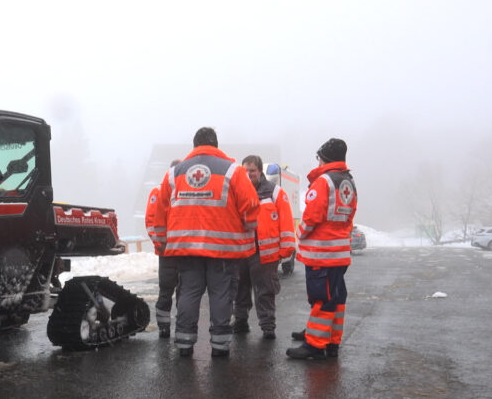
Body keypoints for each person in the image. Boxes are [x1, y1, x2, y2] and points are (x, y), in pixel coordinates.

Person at [151, 127, 259, 358]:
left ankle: (184, 343)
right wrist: (248, 227)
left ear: (194, 145)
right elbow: (250, 205)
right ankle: (220, 346)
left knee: (189, 292)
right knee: (220, 294)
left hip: (186, 249)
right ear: (216, 145)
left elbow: (160, 211)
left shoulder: (174, 173)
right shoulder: (233, 171)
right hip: (223, 250)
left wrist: (161, 243)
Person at [287, 138, 358, 360]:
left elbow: (311, 217)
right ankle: (331, 340)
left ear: (324, 157)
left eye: (318, 157)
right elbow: (349, 216)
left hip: (321, 253)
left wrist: (299, 235)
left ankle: (315, 344)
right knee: (336, 298)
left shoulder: (324, 181)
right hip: (339, 253)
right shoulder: (347, 181)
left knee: (321, 297)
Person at [233, 157, 296, 339]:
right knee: (240, 289)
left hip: (264, 255)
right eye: (245, 170)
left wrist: (286, 249)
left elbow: (286, 222)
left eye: (252, 170)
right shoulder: (237, 192)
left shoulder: (275, 193)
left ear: (260, 171)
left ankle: (268, 326)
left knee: (265, 291)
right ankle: (240, 321)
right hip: (242, 251)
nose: (248, 174)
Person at [145, 159, 182, 338]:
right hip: (167, 252)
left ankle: (182, 327)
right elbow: (151, 221)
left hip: (183, 252)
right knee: (166, 291)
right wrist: (160, 243)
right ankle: (164, 326)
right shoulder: (158, 192)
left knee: (184, 292)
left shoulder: (185, 193)